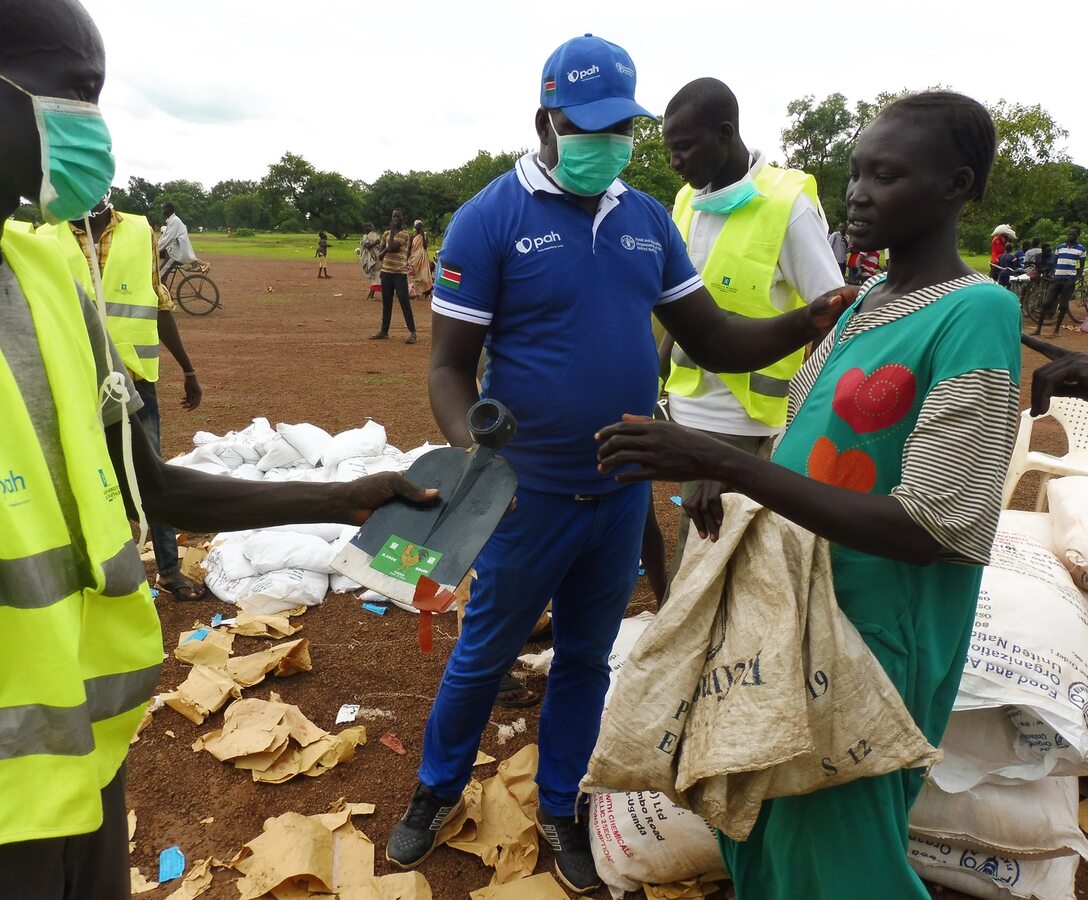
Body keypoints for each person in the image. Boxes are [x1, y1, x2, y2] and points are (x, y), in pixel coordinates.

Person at [0, 2, 435, 896]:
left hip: (84, 767)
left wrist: (350, 497)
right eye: (76, 92)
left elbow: (152, 490)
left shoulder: (52, 278)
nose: (94, 128)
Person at [386, 33, 853, 895]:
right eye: (587, 127)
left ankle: (561, 804)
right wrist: (469, 440)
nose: (609, 144)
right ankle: (436, 790)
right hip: (524, 495)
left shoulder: (645, 222)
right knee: (483, 653)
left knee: (587, 659)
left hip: (619, 493)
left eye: (622, 128)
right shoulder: (491, 217)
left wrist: (806, 321)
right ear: (546, 121)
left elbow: (715, 337)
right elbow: (450, 366)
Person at [597, 90, 1020, 900]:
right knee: (769, 834)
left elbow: (928, 526)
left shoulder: (977, 313)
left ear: (957, 186)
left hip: (877, 630)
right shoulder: (861, 306)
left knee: (840, 855)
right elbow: (812, 443)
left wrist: (724, 458)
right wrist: (726, 475)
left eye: (887, 176)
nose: (858, 193)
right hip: (793, 613)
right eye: (857, 173)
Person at [657, 76, 845, 580]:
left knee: (717, 567)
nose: (675, 161)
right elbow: (683, 306)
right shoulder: (686, 201)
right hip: (687, 411)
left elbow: (834, 316)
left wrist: (800, 424)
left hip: (744, 423)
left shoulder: (787, 205)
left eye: (684, 147)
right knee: (699, 559)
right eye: (669, 150)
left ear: (725, 133)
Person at [41, 195, 207, 602]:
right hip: (73, 380)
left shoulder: (139, 231)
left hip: (133, 378)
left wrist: (188, 369)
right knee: (76, 476)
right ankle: (88, 571)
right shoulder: (45, 237)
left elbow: (158, 300)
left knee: (151, 473)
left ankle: (168, 570)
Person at [370, 207, 417, 343]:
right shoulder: (385, 234)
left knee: (404, 302)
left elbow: (391, 248)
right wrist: (387, 244)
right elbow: (379, 256)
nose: (395, 219)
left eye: (398, 217)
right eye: (393, 217)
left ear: (403, 219)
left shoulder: (404, 235)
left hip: (399, 273)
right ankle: (384, 331)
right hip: (386, 272)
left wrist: (390, 236)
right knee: (387, 303)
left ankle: (413, 332)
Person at [1033, 226, 1085, 337]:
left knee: (1063, 306)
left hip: (1068, 281)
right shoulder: (1060, 247)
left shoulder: (1081, 249)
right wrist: (1052, 274)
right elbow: (1054, 263)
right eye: (1069, 234)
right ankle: (1038, 329)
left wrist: (1074, 280)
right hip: (1056, 279)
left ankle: (1056, 331)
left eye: (1073, 235)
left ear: (1077, 236)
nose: (1070, 236)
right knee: (1046, 303)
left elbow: (1080, 268)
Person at [157, 200, 196, 282]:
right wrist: (155, 247)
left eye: (163, 210)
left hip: (175, 255)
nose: (162, 212)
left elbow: (168, 239)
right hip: (172, 251)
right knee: (158, 270)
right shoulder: (171, 221)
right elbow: (163, 237)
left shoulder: (175, 221)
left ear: (168, 210)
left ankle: (165, 295)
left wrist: (156, 249)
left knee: (160, 276)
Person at [409, 219, 433, 300]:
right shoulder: (412, 236)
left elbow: (425, 246)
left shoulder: (424, 235)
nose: (420, 227)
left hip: (423, 259)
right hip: (414, 259)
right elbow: (409, 248)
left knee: (425, 277)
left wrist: (422, 235)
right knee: (416, 277)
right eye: (418, 225)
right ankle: (417, 294)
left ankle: (426, 293)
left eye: (421, 225)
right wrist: (407, 259)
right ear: (415, 227)